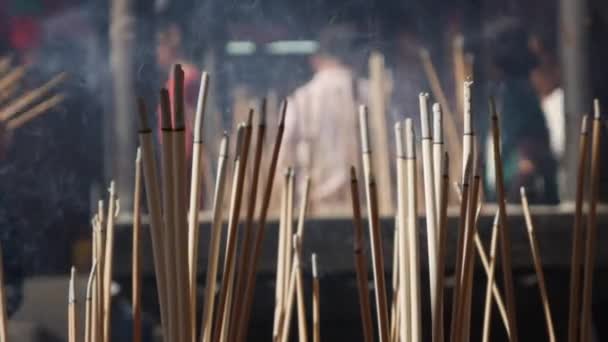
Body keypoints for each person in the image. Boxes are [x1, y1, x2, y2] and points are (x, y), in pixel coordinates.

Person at [281, 25, 361, 211]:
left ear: (315, 60)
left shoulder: (300, 99)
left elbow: (283, 156)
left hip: (313, 207)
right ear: (355, 58)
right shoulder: (373, 95)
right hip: (366, 208)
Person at [482, 19, 558, 204]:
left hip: (520, 205)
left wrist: (509, 206)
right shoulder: (505, 93)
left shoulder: (519, 97)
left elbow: (528, 161)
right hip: (507, 201)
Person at [156, 19, 202, 162]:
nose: (157, 53)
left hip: (181, 145)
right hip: (171, 144)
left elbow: (190, 113)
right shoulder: (174, 76)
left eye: (159, 46)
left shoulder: (186, 75)